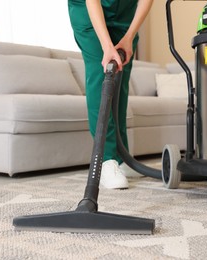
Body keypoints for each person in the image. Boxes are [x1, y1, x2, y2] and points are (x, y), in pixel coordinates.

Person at [68, 0, 153, 189]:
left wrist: (129, 36)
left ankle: (122, 158)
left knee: (120, 81)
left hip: (124, 12)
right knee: (102, 76)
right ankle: (105, 160)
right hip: (89, 11)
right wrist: (107, 46)